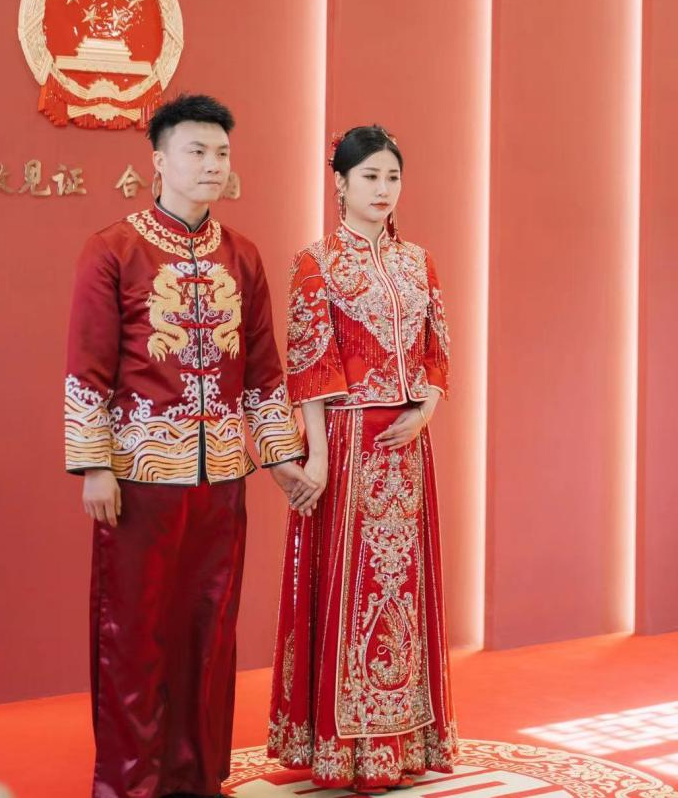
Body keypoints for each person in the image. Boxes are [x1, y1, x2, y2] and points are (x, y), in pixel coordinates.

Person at [65, 93, 313, 798]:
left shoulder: (243, 255)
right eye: (196, 151)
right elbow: (87, 365)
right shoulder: (113, 248)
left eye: (221, 153)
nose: (211, 165)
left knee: (209, 633)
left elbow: (263, 372)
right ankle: (130, 783)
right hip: (139, 477)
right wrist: (94, 464)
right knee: (134, 635)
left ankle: (198, 777)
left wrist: (281, 460)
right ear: (159, 160)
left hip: (221, 480)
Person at [266, 126, 457, 795]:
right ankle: (344, 749)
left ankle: (402, 743)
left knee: (402, 590)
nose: (382, 189)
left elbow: (437, 351)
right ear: (340, 184)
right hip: (350, 447)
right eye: (369, 176)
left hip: (408, 451)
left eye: (392, 177)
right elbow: (311, 369)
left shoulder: (418, 262)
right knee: (351, 593)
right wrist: (316, 457)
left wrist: (426, 410)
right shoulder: (315, 263)